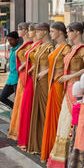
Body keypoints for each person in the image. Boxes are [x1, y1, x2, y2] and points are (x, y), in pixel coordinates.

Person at [47, 21, 84, 168]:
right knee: (64, 121)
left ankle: (74, 161)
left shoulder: (82, 49)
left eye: (69, 31)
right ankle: (63, 159)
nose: (68, 33)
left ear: (77, 32)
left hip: (76, 87)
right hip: (68, 88)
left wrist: (70, 76)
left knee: (71, 123)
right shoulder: (72, 49)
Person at [41, 22, 71, 162]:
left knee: (58, 116)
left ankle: (58, 150)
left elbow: (69, 67)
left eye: (53, 31)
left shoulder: (66, 48)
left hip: (59, 84)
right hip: (52, 84)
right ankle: (51, 148)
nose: (51, 33)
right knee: (52, 116)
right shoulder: (58, 47)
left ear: (60, 32)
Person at [28, 23, 55, 154]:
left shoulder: (51, 47)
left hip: (44, 81)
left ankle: (48, 145)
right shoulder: (41, 46)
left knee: (45, 110)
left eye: (38, 31)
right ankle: (38, 143)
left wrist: (44, 72)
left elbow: (55, 64)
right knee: (37, 111)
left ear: (44, 32)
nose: (36, 33)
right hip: (36, 81)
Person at [7, 23, 33, 140]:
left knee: (22, 103)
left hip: (21, 78)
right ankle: (16, 118)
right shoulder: (15, 49)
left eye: (19, 29)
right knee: (5, 97)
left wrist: (24, 66)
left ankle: (19, 124)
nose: (9, 41)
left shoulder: (25, 46)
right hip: (13, 77)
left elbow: (31, 61)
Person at [0, 32, 21, 109]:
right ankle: (16, 109)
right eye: (8, 40)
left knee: (18, 99)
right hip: (10, 79)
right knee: (2, 97)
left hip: (17, 79)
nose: (10, 42)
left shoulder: (20, 50)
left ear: (17, 39)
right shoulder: (12, 49)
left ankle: (18, 114)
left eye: (11, 40)